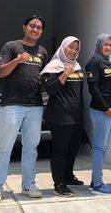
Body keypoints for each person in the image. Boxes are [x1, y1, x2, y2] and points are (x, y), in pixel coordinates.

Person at [0, 15, 49, 204]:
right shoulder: (12, 46)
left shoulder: (42, 52)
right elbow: (0, 72)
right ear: (24, 27)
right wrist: (17, 60)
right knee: (4, 147)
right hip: (12, 105)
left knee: (31, 148)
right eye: (32, 26)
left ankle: (28, 184)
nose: (35, 29)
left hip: (35, 106)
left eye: (39, 27)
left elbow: (44, 76)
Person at [41, 37, 85, 197]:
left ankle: (68, 176)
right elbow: (50, 90)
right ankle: (59, 184)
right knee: (60, 150)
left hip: (76, 115)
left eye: (76, 49)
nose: (73, 51)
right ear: (63, 48)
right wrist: (64, 74)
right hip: (59, 116)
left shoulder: (77, 66)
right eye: (70, 47)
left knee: (73, 148)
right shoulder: (53, 66)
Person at [85, 33, 111, 195]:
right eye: (105, 44)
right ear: (99, 45)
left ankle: (96, 180)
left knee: (104, 146)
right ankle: (97, 184)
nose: (108, 47)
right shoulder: (93, 63)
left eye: (110, 44)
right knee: (100, 147)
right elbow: (93, 90)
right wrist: (106, 107)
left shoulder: (110, 61)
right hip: (102, 111)